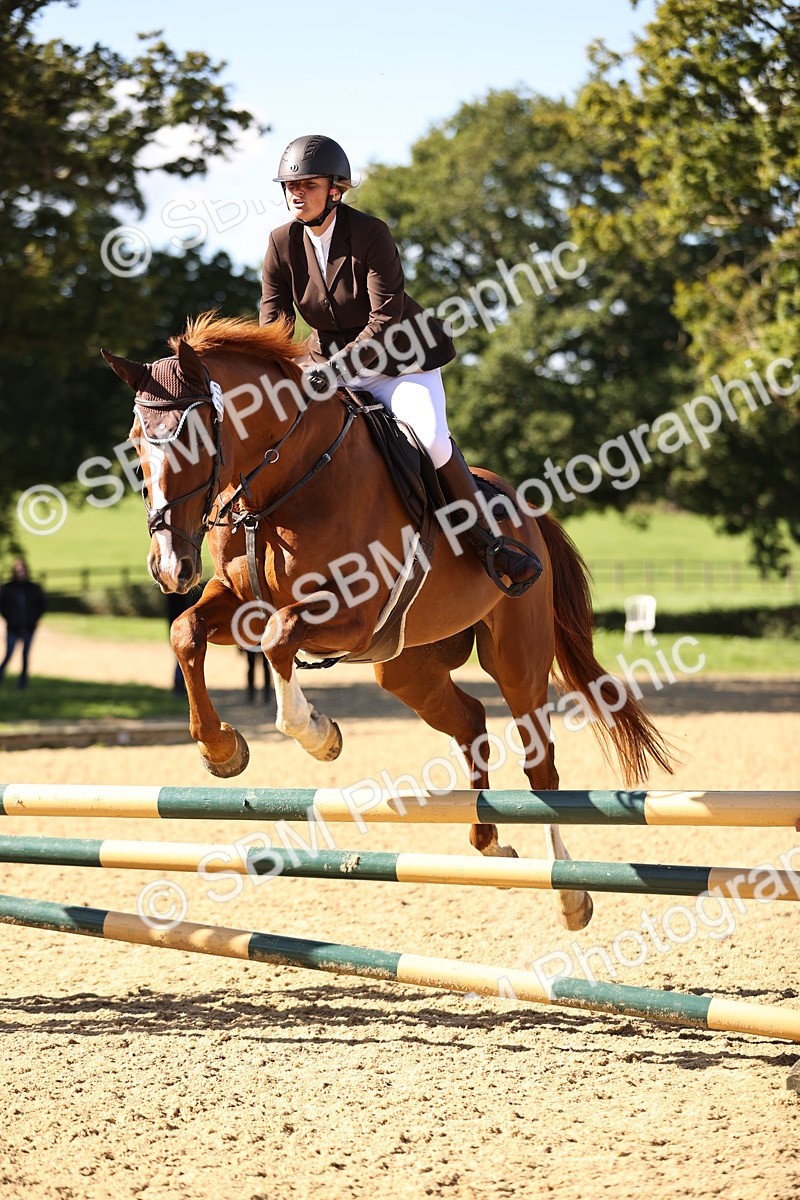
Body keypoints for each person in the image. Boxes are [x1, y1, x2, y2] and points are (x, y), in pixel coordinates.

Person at [260, 134, 542, 596]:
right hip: (326, 364)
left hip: (399, 359)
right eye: (290, 185)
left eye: (307, 184)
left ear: (335, 189)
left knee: (430, 439)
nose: (296, 192)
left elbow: (384, 320)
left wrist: (334, 372)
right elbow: (273, 327)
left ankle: (490, 544)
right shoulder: (280, 243)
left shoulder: (370, 233)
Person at [0, 558, 46, 689]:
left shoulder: (34, 588)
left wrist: (33, 619)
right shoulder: (8, 588)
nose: (20, 573)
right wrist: (10, 618)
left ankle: (23, 683)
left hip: (29, 627)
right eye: (18, 571)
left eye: (22, 571)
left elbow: (41, 606)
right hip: (13, 627)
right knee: (8, 653)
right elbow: (3, 606)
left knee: (25, 655)